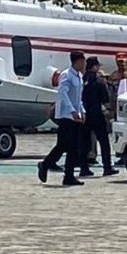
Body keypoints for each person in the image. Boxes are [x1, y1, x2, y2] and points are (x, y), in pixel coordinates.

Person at [38, 52, 86, 186]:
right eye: (83, 61)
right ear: (77, 61)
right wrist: (72, 111)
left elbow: (78, 97)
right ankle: (45, 164)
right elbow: (63, 94)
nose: (84, 64)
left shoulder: (79, 77)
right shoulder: (66, 75)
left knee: (73, 147)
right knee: (64, 144)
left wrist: (82, 111)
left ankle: (69, 175)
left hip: (75, 115)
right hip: (65, 115)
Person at [79, 57, 119, 178]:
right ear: (95, 67)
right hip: (97, 113)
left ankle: (84, 168)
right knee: (104, 142)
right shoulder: (100, 81)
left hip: (84, 114)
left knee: (84, 142)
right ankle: (107, 167)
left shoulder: (81, 79)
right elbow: (106, 99)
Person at [106, 52, 127, 120]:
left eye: (123, 61)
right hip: (118, 106)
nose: (121, 64)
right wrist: (110, 109)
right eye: (119, 61)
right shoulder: (113, 76)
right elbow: (110, 93)